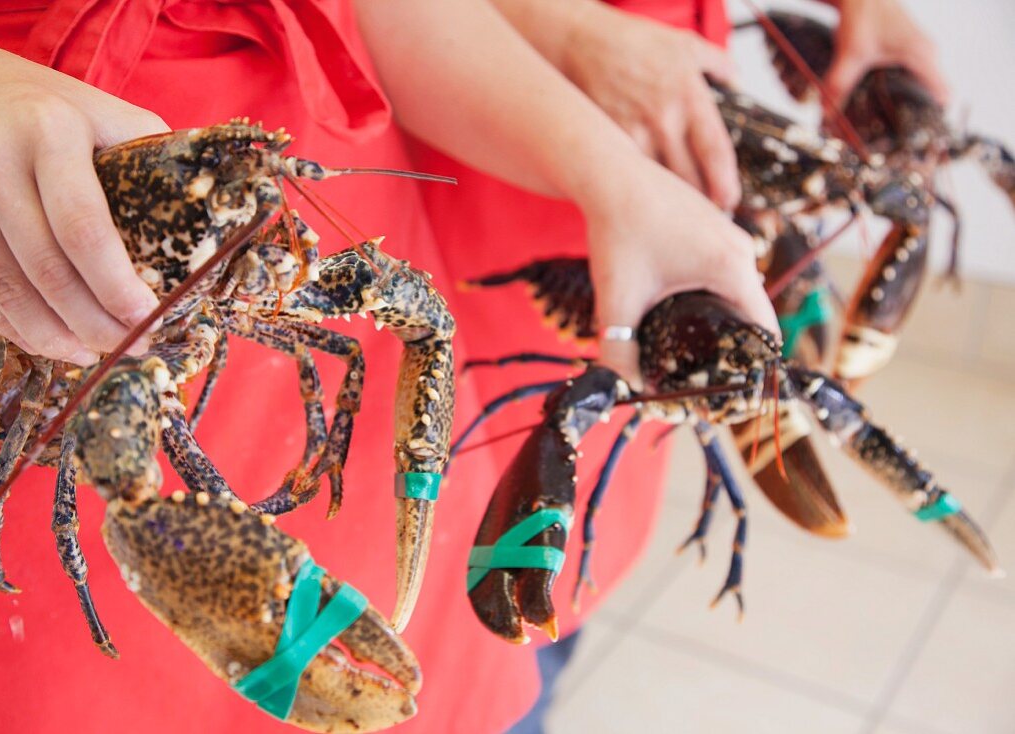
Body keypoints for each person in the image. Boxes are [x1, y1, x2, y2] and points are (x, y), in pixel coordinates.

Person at [379, 0, 946, 731]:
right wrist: (575, 35)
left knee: (585, 518)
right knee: (458, 535)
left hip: (662, 92)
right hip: (489, 90)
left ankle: (543, 653)